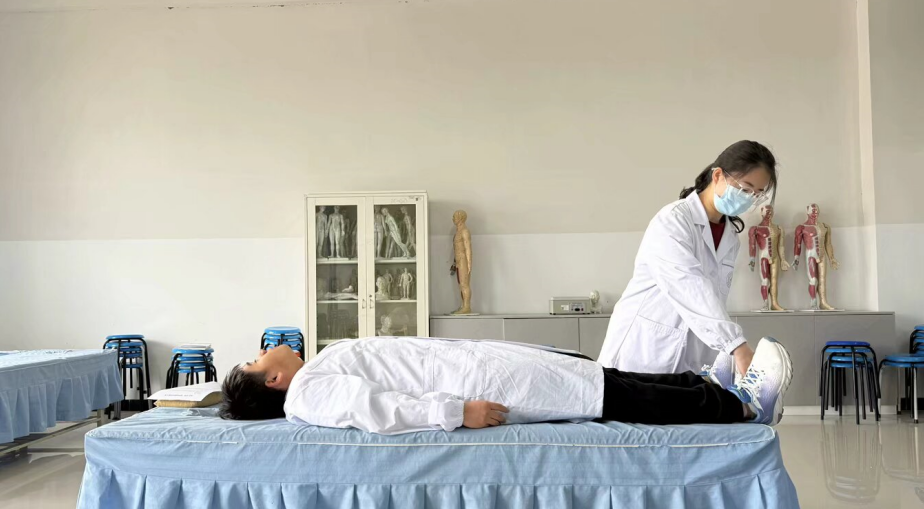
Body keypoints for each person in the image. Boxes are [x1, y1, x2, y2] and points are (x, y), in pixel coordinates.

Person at [219, 336, 792, 433]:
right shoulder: (307, 393)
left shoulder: (316, 368)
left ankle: (706, 386)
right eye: (254, 359)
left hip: (482, 364)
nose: (262, 348)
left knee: (600, 376)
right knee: (610, 395)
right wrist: (454, 413)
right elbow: (376, 409)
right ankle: (741, 407)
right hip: (476, 386)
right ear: (273, 380)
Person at [599, 140, 778, 381]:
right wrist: (736, 345)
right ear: (718, 176)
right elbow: (688, 285)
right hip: (643, 350)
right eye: (745, 189)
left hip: (690, 358)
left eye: (757, 194)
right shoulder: (673, 220)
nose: (749, 199)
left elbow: (714, 300)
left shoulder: (730, 238)